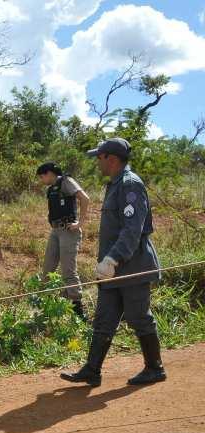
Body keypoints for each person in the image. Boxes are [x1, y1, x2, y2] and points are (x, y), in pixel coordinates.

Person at [61, 137, 165, 387]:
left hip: (132, 266)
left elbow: (132, 229)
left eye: (100, 157)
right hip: (112, 269)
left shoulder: (130, 185)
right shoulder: (115, 185)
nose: (98, 161)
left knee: (138, 316)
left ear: (113, 159)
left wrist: (112, 258)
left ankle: (155, 368)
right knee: (105, 318)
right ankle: (92, 370)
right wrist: (107, 262)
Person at [37, 162, 89, 320]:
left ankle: (77, 309)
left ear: (49, 173)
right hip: (55, 231)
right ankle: (44, 307)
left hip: (68, 231)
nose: (41, 180)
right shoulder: (51, 189)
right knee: (47, 269)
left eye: (42, 176)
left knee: (68, 270)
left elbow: (85, 198)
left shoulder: (66, 181)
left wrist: (80, 223)